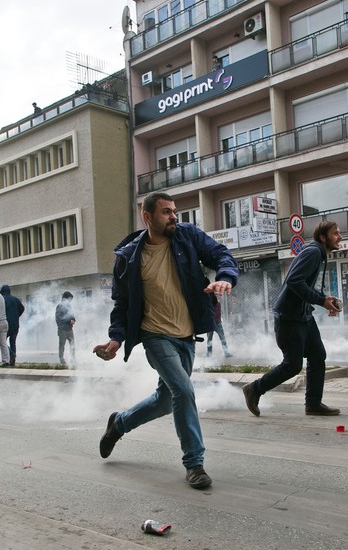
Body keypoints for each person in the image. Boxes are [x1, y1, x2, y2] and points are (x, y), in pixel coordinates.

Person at [93, 192, 238, 490]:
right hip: (155, 336)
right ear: (147, 217)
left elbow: (222, 254)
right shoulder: (129, 257)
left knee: (165, 400)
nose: (174, 216)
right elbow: (122, 304)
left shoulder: (187, 236)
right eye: (165, 212)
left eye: (174, 211)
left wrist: (226, 277)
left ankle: (118, 423)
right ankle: (194, 464)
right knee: (184, 391)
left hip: (186, 335)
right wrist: (115, 339)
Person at [241, 221, 342, 419]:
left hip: (303, 316)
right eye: (335, 233)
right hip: (289, 318)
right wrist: (321, 301)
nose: (340, 237)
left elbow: (303, 284)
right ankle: (254, 389)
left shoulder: (317, 254)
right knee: (293, 365)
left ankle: (313, 404)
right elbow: (294, 280)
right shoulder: (313, 252)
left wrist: (325, 301)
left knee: (317, 355)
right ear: (323, 237)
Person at [0, 285, 25, 366]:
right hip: (15, 324)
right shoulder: (15, 299)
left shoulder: (2, 299)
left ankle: (11, 354)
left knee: (2, 341)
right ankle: (12, 361)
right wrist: (17, 316)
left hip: (6, 324)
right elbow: (22, 308)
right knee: (13, 342)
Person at [55, 291, 76, 365]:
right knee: (62, 345)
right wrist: (68, 320)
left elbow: (72, 315)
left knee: (72, 344)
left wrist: (73, 320)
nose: (70, 301)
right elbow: (58, 319)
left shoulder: (69, 306)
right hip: (62, 330)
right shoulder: (59, 306)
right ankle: (62, 359)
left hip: (69, 329)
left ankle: (73, 359)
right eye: (70, 299)